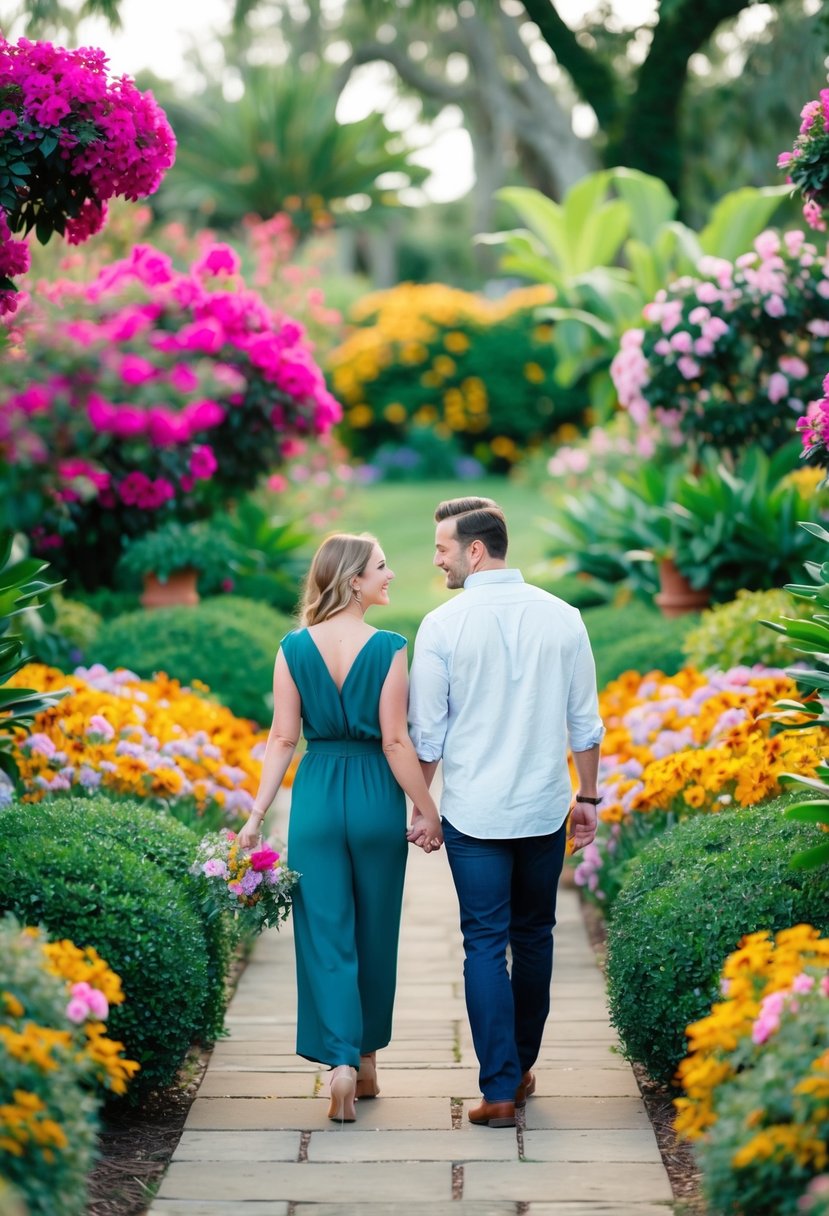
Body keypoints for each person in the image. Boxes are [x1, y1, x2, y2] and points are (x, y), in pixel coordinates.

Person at [406, 497, 604, 1129]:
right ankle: (518, 1068)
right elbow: (586, 723)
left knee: (485, 943)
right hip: (545, 808)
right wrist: (589, 797)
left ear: (474, 549)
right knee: (535, 936)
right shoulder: (564, 617)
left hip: (476, 816)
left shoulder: (442, 626)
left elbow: (427, 738)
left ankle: (498, 1087)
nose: (436, 560)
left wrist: (421, 808)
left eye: (442, 548)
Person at [238, 533, 443, 1123]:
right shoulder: (389, 648)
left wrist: (256, 816)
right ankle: (367, 1059)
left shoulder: (293, 647)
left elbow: (282, 739)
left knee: (325, 932)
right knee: (375, 930)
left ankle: (342, 1066)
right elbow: (396, 741)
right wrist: (426, 807)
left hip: (319, 795)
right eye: (382, 567)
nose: (391, 575)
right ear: (354, 580)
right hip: (377, 796)